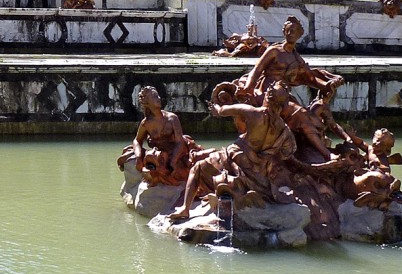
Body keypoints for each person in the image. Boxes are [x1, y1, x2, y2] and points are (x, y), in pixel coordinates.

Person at [169, 83, 298, 222]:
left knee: (198, 167)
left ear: (268, 96)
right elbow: (287, 153)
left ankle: (185, 209)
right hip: (260, 172)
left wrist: (215, 107)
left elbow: (222, 110)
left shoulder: (253, 112)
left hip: (238, 159)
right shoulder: (284, 129)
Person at [116, 86, 200, 186]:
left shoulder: (172, 118)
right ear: (147, 103)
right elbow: (137, 140)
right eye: (155, 97)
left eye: (158, 96)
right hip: (161, 154)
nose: (159, 98)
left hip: (178, 152)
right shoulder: (146, 123)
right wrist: (139, 157)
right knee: (130, 154)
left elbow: (179, 142)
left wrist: (173, 161)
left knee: (186, 168)